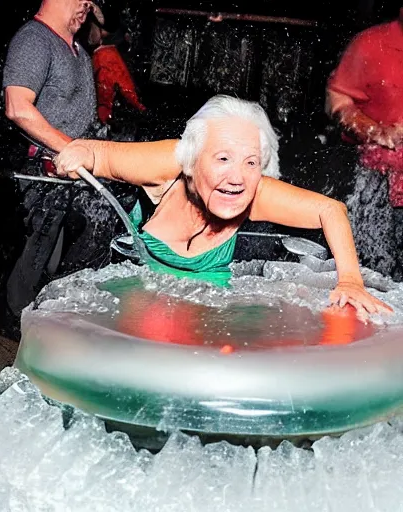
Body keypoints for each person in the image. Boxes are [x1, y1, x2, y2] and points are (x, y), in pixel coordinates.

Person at [55, 94, 393, 319]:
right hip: (131, 302)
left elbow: (330, 210)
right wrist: (79, 154)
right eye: (223, 158)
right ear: (194, 159)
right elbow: (97, 154)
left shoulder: (255, 192)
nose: (238, 178)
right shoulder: (168, 165)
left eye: (250, 162)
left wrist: (350, 281)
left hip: (207, 309)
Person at [2, 0, 136, 331]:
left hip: (72, 169)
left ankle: (53, 309)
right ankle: (16, 318)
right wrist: (71, 149)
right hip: (44, 168)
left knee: (68, 245)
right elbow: (17, 107)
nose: (86, 10)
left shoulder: (76, 47)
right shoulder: (35, 39)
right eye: (82, 2)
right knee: (40, 245)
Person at [326, 8, 403, 280]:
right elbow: (337, 101)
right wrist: (374, 130)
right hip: (372, 177)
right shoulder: (370, 44)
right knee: (373, 274)